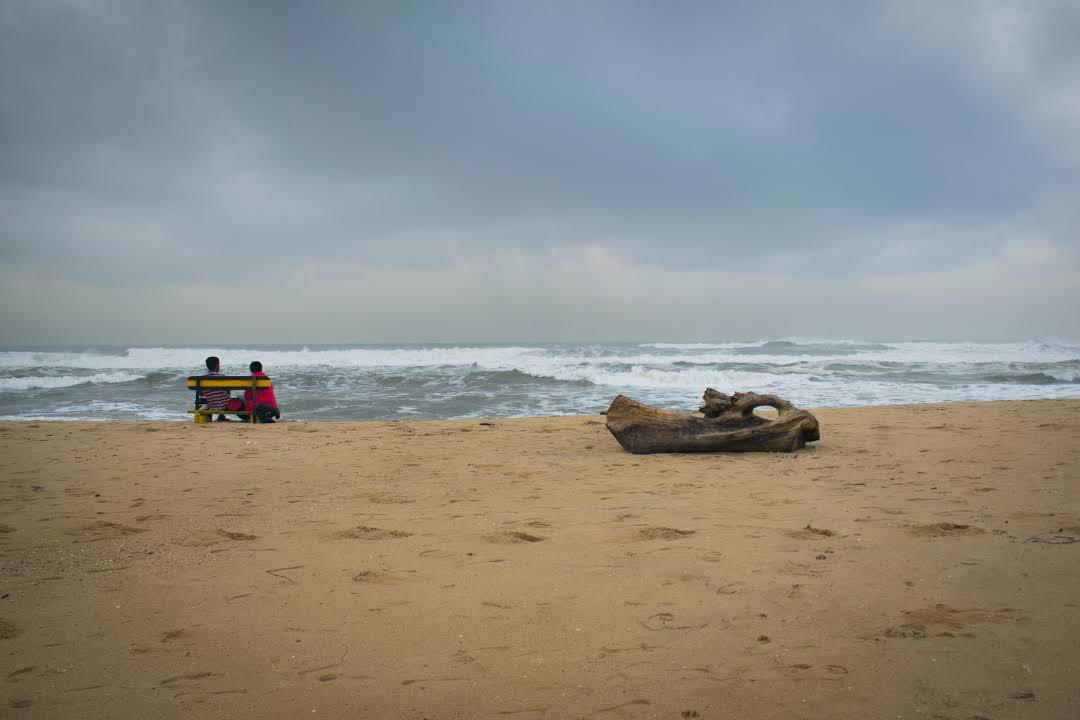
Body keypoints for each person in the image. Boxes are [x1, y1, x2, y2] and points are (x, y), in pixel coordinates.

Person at [201, 356, 244, 422]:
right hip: (226, 406)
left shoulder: (202, 379)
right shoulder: (222, 377)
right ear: (217, 366)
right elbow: (228, 391)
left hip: (212, 405)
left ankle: (221, 416)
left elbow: (201, 393)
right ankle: (247, 418)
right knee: (240, 399)